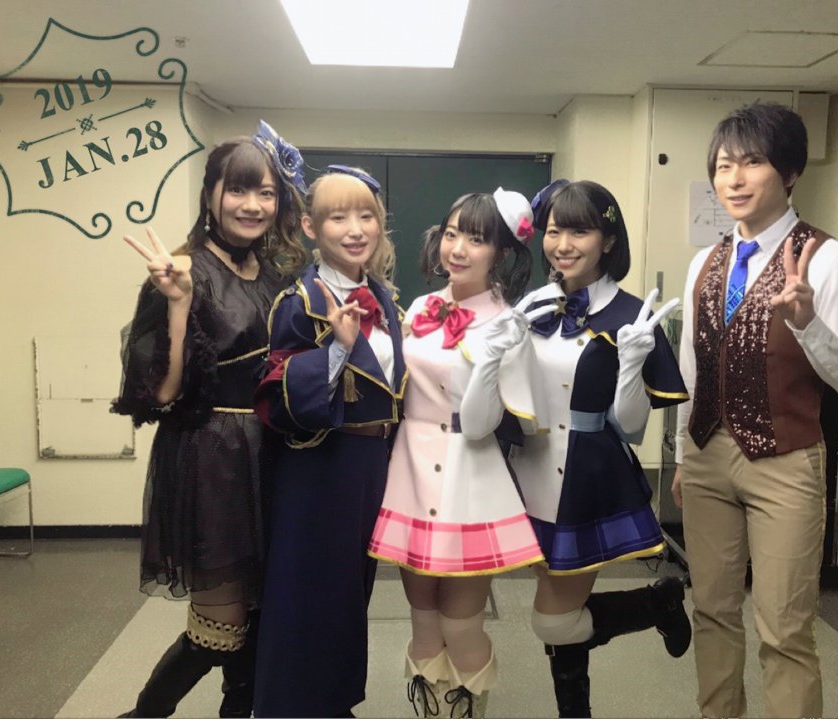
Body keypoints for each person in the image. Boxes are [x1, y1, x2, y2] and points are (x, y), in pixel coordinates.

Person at [672, 102, 838, 718]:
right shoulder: (703, 262)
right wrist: (683, 455)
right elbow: (692, 369)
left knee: (784, 630)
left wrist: (808, 322)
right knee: (711, 611)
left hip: (785, 462)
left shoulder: (831, 259)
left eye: (752, 162)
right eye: (723, 165)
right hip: (706, 457)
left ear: (789, 173)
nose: (734, 179)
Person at [112, 120, 307, 718]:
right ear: (211, 193)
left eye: (266, 192)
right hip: (212, 458)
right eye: (238, 189)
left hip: (269, 456)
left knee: (258, 618)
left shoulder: (275, 275)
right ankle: (143, 715)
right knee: (217, 628)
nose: (253, 205)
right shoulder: (182, 270)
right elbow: (163, 392)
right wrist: (178, 304)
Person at [368, 188, 556, 718]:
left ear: (501, 252)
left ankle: (467, 706)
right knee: (423, 620)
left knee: (460, 624)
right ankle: (431, 706)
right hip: (409, 470)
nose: (458, 248)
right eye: (452, 234)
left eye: (476, 239)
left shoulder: (507, 324)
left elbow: (484, 426)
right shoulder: (421, 308)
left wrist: (492, 358)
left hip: (468, 475)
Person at [509, 179, 691, 718]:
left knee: (553, 619)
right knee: (563, 610)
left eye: (580, 231)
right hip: (527, 472)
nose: (563, 244)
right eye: (554, 230)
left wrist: (631, 363)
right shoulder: (533, 305)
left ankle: (655, 602)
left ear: (608, 240)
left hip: (586, 478)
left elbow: (629, 428)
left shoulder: (634, 315)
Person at [252, 166, 405, 718]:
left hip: (370, 465)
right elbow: (278, 402)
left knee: (348, 593)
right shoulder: (299, 301)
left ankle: (335, 702)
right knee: (307, 591)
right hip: (318, 465)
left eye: (367, 216)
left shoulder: (385, 298)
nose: (356, 229)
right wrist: (338, 349)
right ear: (311, 228)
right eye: (338, 217)